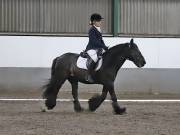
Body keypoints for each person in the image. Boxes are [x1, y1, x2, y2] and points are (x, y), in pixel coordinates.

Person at [85, 13, 109, 82]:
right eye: (98, 21)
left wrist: (105, 47)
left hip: (98, 48)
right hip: (91, 48)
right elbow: (93, 41)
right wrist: (102, 46)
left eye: (100, 21)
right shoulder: (92, 30)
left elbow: (101, 40)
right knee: (95, 58)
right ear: (93, 22)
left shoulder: (98, 29)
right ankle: (88, 75)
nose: (100, 22)